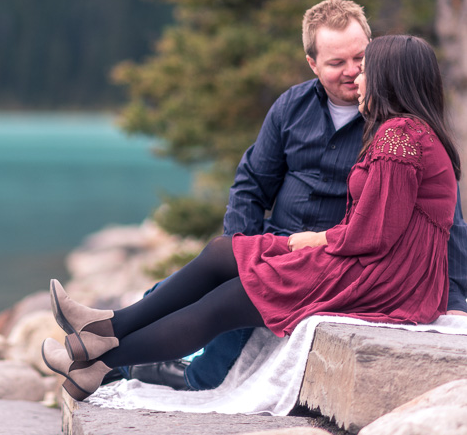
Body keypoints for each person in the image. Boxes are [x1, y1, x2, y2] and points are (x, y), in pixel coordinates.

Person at [43, 34, 460, 402]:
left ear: (390, 77)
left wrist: (315, 241)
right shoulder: (409, 132)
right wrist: (315, 241)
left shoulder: (398, 137)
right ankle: (103, 328)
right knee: (223, 252)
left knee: (223, 303)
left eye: (367, 69)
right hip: (378, 269)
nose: (359, 78)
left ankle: (97, 356)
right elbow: (375, 227)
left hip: (379, 279)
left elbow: (373, 235)